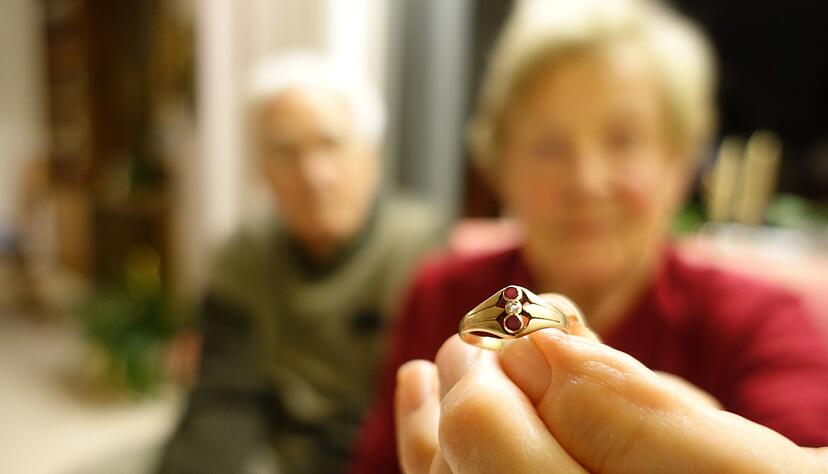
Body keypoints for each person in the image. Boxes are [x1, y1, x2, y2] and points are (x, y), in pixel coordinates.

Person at [349, 0, 828, 472]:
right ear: (501, 166)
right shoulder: (440, 295)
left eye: (624, 140)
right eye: (548, 146)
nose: (585, 180)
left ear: (677, 163)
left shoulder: (759, 322)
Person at [159, 53, 442, 474]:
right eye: (286, 153)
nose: (312, 175)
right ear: (262, 171)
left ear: (371, 156)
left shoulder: (425, 250)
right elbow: (223, 399)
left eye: (330, 144)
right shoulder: (243, 257)